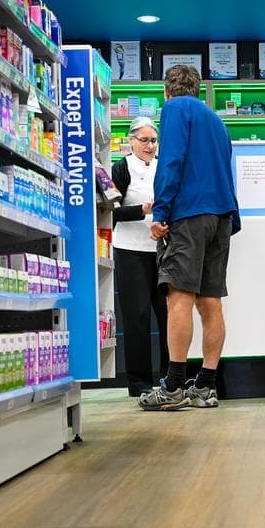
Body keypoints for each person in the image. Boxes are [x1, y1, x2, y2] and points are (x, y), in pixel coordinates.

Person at [138, 65, 240, 411]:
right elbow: (226, 166)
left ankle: (173, 386)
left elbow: (171, 161)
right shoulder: (216, 120)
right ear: (197, 89)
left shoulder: (174, 109)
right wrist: (231, 217)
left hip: (189, 215)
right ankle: (206, 386)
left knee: (178, 297)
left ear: (167, 91)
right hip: (221, 216)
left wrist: (161, 213)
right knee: (210, 301)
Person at [110, 118, 169, 396]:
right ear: (131, 140)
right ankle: (139, 384)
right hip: (130, 250)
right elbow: (109, 211)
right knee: (138, 317)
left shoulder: (164, 166)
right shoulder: (120, 169)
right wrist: (141, 211)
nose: (149, 146)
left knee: (169, 315)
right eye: (144, 140)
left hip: (162, 249)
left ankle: (172, 379)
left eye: (153, 140)